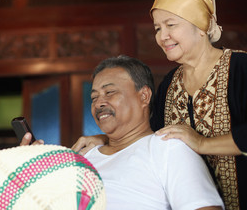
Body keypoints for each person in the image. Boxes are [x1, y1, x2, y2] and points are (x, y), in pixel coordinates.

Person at [71, 0, 247, 210]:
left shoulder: (241, 68)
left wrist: (203, 143)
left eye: (170, 25)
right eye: (157, 28)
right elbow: (150, 133)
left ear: (200, 24)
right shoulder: (170, 85)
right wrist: (105, 140)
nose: (162, 36)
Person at [23, 55, 224, 209]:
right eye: (94, 97)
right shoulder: (83, 156)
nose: (99, 103)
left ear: (144, 96)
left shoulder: (168, 147)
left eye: (110, 92)